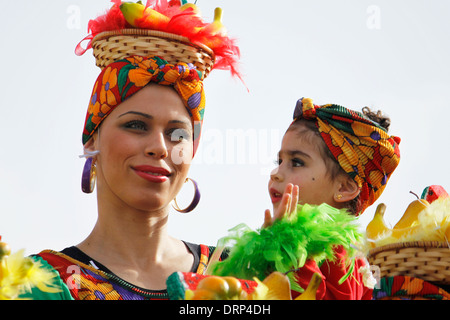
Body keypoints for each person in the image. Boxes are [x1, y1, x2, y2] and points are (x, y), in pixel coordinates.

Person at [19, 0, 241, 300]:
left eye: (177, 134)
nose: (159, 148)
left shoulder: (236, 277)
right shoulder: (37, 285)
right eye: (136, 126)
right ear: (92, 139)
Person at [264, 97, 401, 299]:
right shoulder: (272, 236)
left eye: (297, 162)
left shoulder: (345, 256)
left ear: (344, 187)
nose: (276, 173)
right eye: (280, 160)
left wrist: (289, 246)